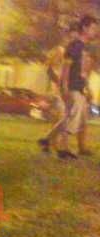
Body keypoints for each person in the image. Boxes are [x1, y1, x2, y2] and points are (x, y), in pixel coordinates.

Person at [55, 15, 98, 160]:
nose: (95, 31)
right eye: (93, 28)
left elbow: (83, 72)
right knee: (75, 115)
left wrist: (88, 88)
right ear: (84, 28)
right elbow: (66, 67)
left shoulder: (84, 47)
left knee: (78, 118)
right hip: (72, 87)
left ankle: (62, 147)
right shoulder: (74, 45)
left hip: (80, 88)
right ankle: (61, 146)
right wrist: (64, 86)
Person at [38, 23, 79, 154]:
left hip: (65, 88)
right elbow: (49, 69)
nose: (74, 38)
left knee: (62, 118)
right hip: (59, 90)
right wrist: (59, 82)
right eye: (72, 36)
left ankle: (54, 145)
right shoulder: (59, 51)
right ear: (68, 36)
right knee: (63, 118)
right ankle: (57, 146)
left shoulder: (72, 52)